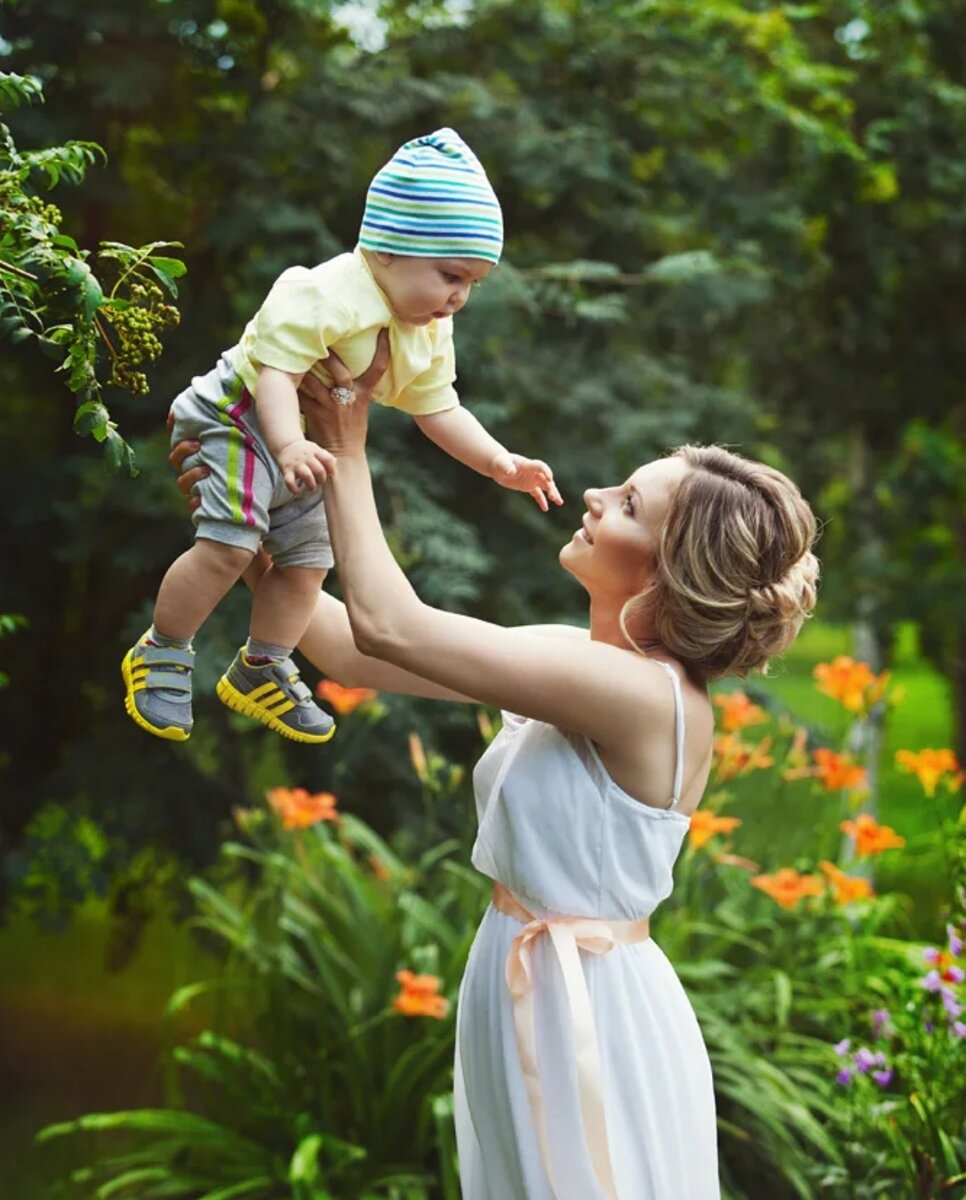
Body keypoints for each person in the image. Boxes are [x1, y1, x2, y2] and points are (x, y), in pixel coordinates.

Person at [172, 341, 819, 1199]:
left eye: (628, 505)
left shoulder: (641, 695)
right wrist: (241, 519)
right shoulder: (575, 658)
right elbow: (352, 649)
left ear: (666, 573)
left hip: (585, 1011)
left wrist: (350, 451)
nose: (594, 498)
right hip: (524, 978)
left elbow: (394, 625)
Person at [122, 128, 560, 746]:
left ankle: (262, 663)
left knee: (309, 563)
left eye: (472, 284)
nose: (459, 297)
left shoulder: (427, 329)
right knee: (230, 545)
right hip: (241, 416)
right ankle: (163, 649)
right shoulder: (322, 291)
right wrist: (287, 446)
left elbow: (439, 408)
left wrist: (497, 462)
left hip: (308, 445)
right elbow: (276, 374)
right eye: (450, 275)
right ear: (387, 250)